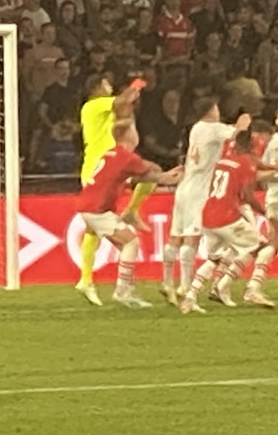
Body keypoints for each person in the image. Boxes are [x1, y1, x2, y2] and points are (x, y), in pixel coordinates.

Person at [75, 122, 183, 308]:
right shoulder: (127, 157)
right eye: (134, 130)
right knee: (131, 242)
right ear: (130, 136)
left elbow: (134, 177)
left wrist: (164, 175)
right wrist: (172, 176)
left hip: (88, 205)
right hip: (97, 209)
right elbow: (153, 176)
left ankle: (126, 289)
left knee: (126, 247)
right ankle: (122, 292)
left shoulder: (112, 153)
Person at [161, 100, 250, 304]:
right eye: (217, 108)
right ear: (211, 111)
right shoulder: (213, 128)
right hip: (199, 190)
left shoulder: (196, 128)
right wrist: (243, 121)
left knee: (175, 236)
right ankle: (184, 286)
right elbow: (237, 133)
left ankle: (167, 282)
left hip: (184, 187)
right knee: (192, 238)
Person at [180, 129, 277, 314]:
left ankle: (191, 297)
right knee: (262, 246)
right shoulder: (245, 164)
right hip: (226, 217)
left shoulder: (224, 160)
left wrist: (273, 168)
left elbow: (255, 163)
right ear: (251, 146)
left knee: (215, 258)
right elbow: (247, 195)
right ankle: (251, 290)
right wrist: (263, 212)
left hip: (208, 216)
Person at [75, 74, 146, 304]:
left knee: (148, 177)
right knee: (94, 229)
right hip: (97, 168)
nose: (110, 87)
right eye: (107, 84)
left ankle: (133, 211)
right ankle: (87, 279)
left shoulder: (104, 111)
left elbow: (125, 108)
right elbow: (122, 101)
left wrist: (133, 96)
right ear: (97, 87)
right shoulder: (93, 105)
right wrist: (135, 85)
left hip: (112, 166)